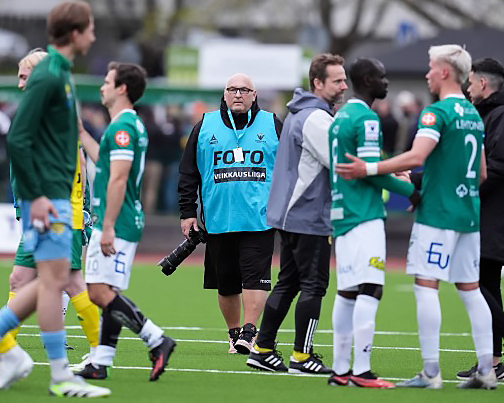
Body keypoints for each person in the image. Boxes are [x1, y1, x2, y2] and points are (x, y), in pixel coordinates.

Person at [336, 45, 496, 390]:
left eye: (430, 67)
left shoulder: (435, 113)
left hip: (438, 215)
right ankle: (487, 370)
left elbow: (415, 156)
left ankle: (431, 372)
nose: (426, 73)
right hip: (469, 214)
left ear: (444, 72)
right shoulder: (472, 113)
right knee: (471, 290)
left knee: (426, 287)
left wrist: (370, 167)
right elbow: (481, 173)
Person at [0, 1, 110, 398]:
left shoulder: (60, 74)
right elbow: (18, 138)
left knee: (51, 282)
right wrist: (38, 196)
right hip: (50, 202)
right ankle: (62, 375)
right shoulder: (49, 76)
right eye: (91, 27)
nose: (94, 34)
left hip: (61, 202)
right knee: (51, 284)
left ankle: (30, 360)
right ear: (77, 33)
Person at [246, 54, 347, 374]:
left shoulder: (302, 114)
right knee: (313, 285)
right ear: (317, 83)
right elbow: (341, 163)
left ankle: (262, 348)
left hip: (293, 214)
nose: (344, 86)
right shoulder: (316, 118)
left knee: (288, 283)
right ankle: (302, 356)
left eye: (344, 79)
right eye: (337, 81)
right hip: (308, 215)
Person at [76, 62, 176, 382]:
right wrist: (80, 132)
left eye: (107, 82)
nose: (102, 87)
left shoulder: (123, 128)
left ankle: (156, 339)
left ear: (122, 89)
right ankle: (101, 361)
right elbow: (105, 165)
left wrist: (106, 226)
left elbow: (117, 179)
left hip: (116, 222)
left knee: (97, 291)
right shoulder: (123, 125)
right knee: (109, 290)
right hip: (123, 219)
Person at [327, 58, 420, 389]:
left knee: (348, 290)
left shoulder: (340, 118)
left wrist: (391, 170)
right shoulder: (366, 118)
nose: (387, 82)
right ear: (368, 80)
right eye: (382, 77)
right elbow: (367, 173)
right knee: (371, 288)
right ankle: (362, 371)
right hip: (364, 214)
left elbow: (368, 164)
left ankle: (340, 370)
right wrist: (413, 191)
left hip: (342, 213)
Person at [178, 73, 282, 354]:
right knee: (226, 285)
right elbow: (189, 173)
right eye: (232, 89)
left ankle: (249, 332)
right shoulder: (205, 125)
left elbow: (288, 169)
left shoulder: (272, 124)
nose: (238, 94)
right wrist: (188, 212)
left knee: (256, 277)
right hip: (218, 220)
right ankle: (234, 332)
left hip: (259, 219)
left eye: (244, 90)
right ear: (224, 94)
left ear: (254, 94)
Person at [457, 57, 504, 380]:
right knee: (485, 286)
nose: (468, 89)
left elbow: (497, 168)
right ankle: (492, 361)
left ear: (483, 84)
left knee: (480, 287)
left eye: (471, 83)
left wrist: (464, 192)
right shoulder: (490, 114)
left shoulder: (498, 116)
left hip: (492, 218)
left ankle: (494, 360)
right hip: (488, 216)